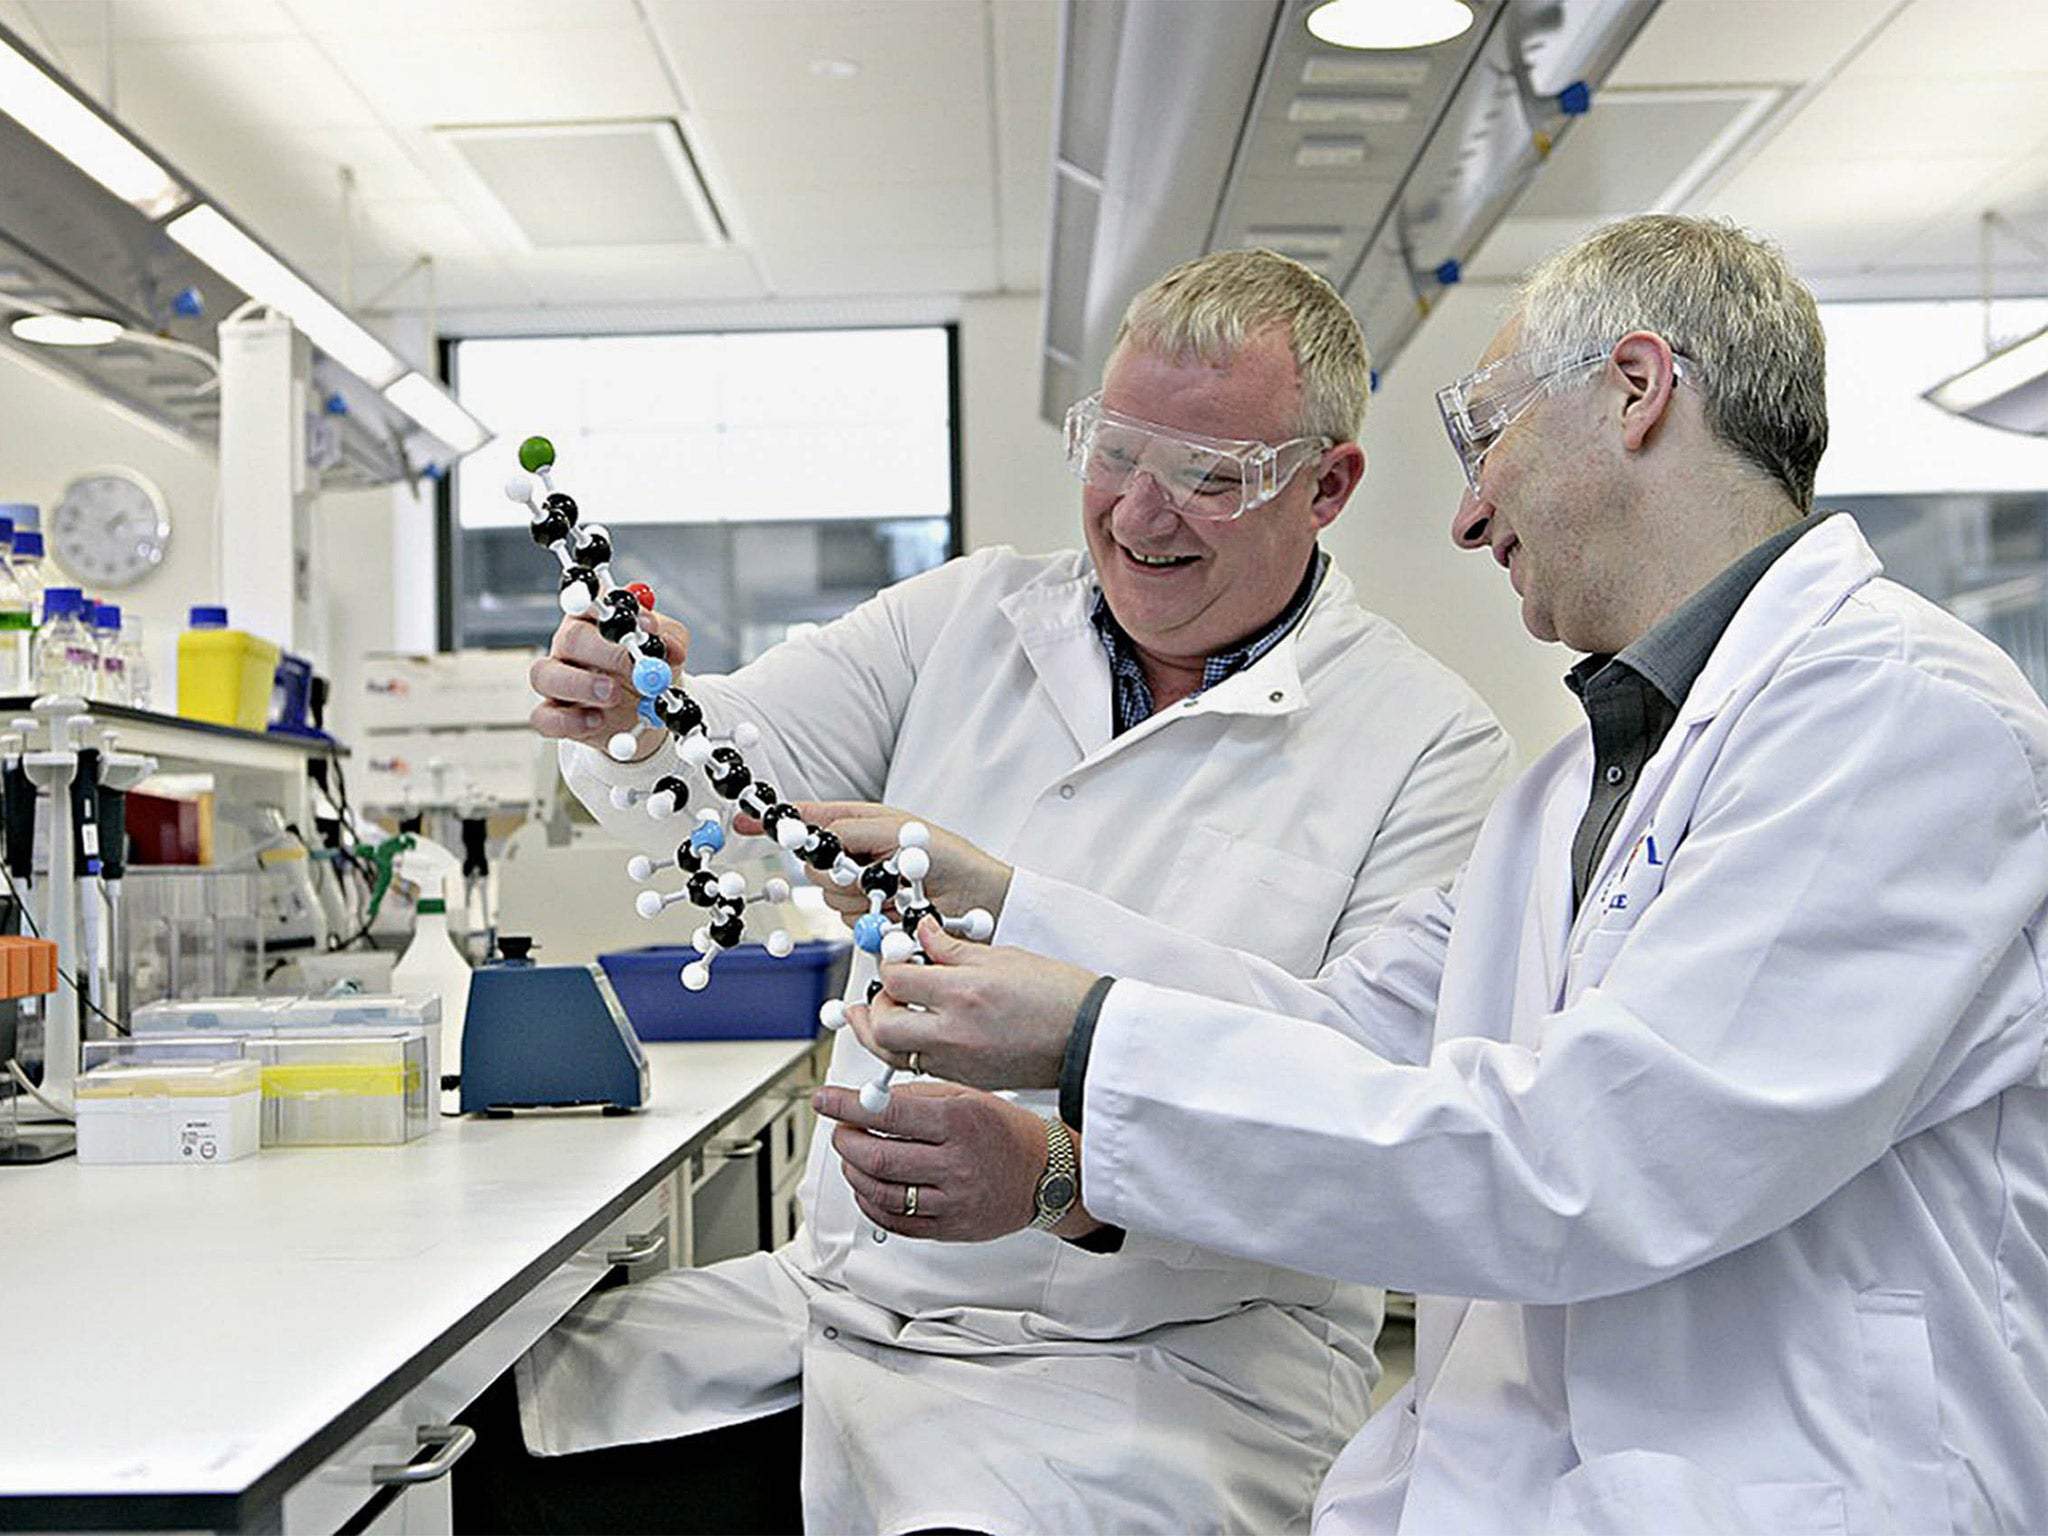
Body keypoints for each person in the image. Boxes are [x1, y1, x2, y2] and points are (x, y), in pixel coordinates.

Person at [838, 214, 2048, 1535]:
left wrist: (1083, 1030)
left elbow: (1589, 1161)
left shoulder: (1893, 717)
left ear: (1637, 392)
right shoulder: (1576, 787)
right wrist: (1024, 937)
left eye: (1486, 437)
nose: (1470, 515)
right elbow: (1348, 1029)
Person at [484, 248, 1516, 1533]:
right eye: (1117, 455)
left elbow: (1378, 1122)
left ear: (1327, 486)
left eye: (1209, 477)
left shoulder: (1427, 741)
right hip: (840, 1304)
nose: (1141, 515)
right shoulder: (965, 617)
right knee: (467, 1436)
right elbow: (730, 778)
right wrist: (637, 719)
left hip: (1161, 1367)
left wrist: (1066, 1174)